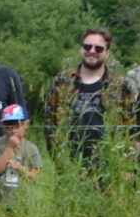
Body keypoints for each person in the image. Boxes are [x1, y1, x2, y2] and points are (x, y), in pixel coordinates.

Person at [42, 28, 123, 164]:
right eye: (87, 46)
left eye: (98, 48)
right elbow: (50, 123)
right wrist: (58, 158)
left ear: (107, 53)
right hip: (70, 164)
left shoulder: (120, 84)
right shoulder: (62, 80)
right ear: (81, 49)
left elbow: (130, 125)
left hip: (109, 162)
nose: (92, 51)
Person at [0, 108, 43, 199]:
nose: (13, 131)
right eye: (8, 127)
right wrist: (9, 147)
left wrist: (19, 168)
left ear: (26, 125)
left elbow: (35, 177)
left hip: (20, 201)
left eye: (17, 127)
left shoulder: (31, 148)